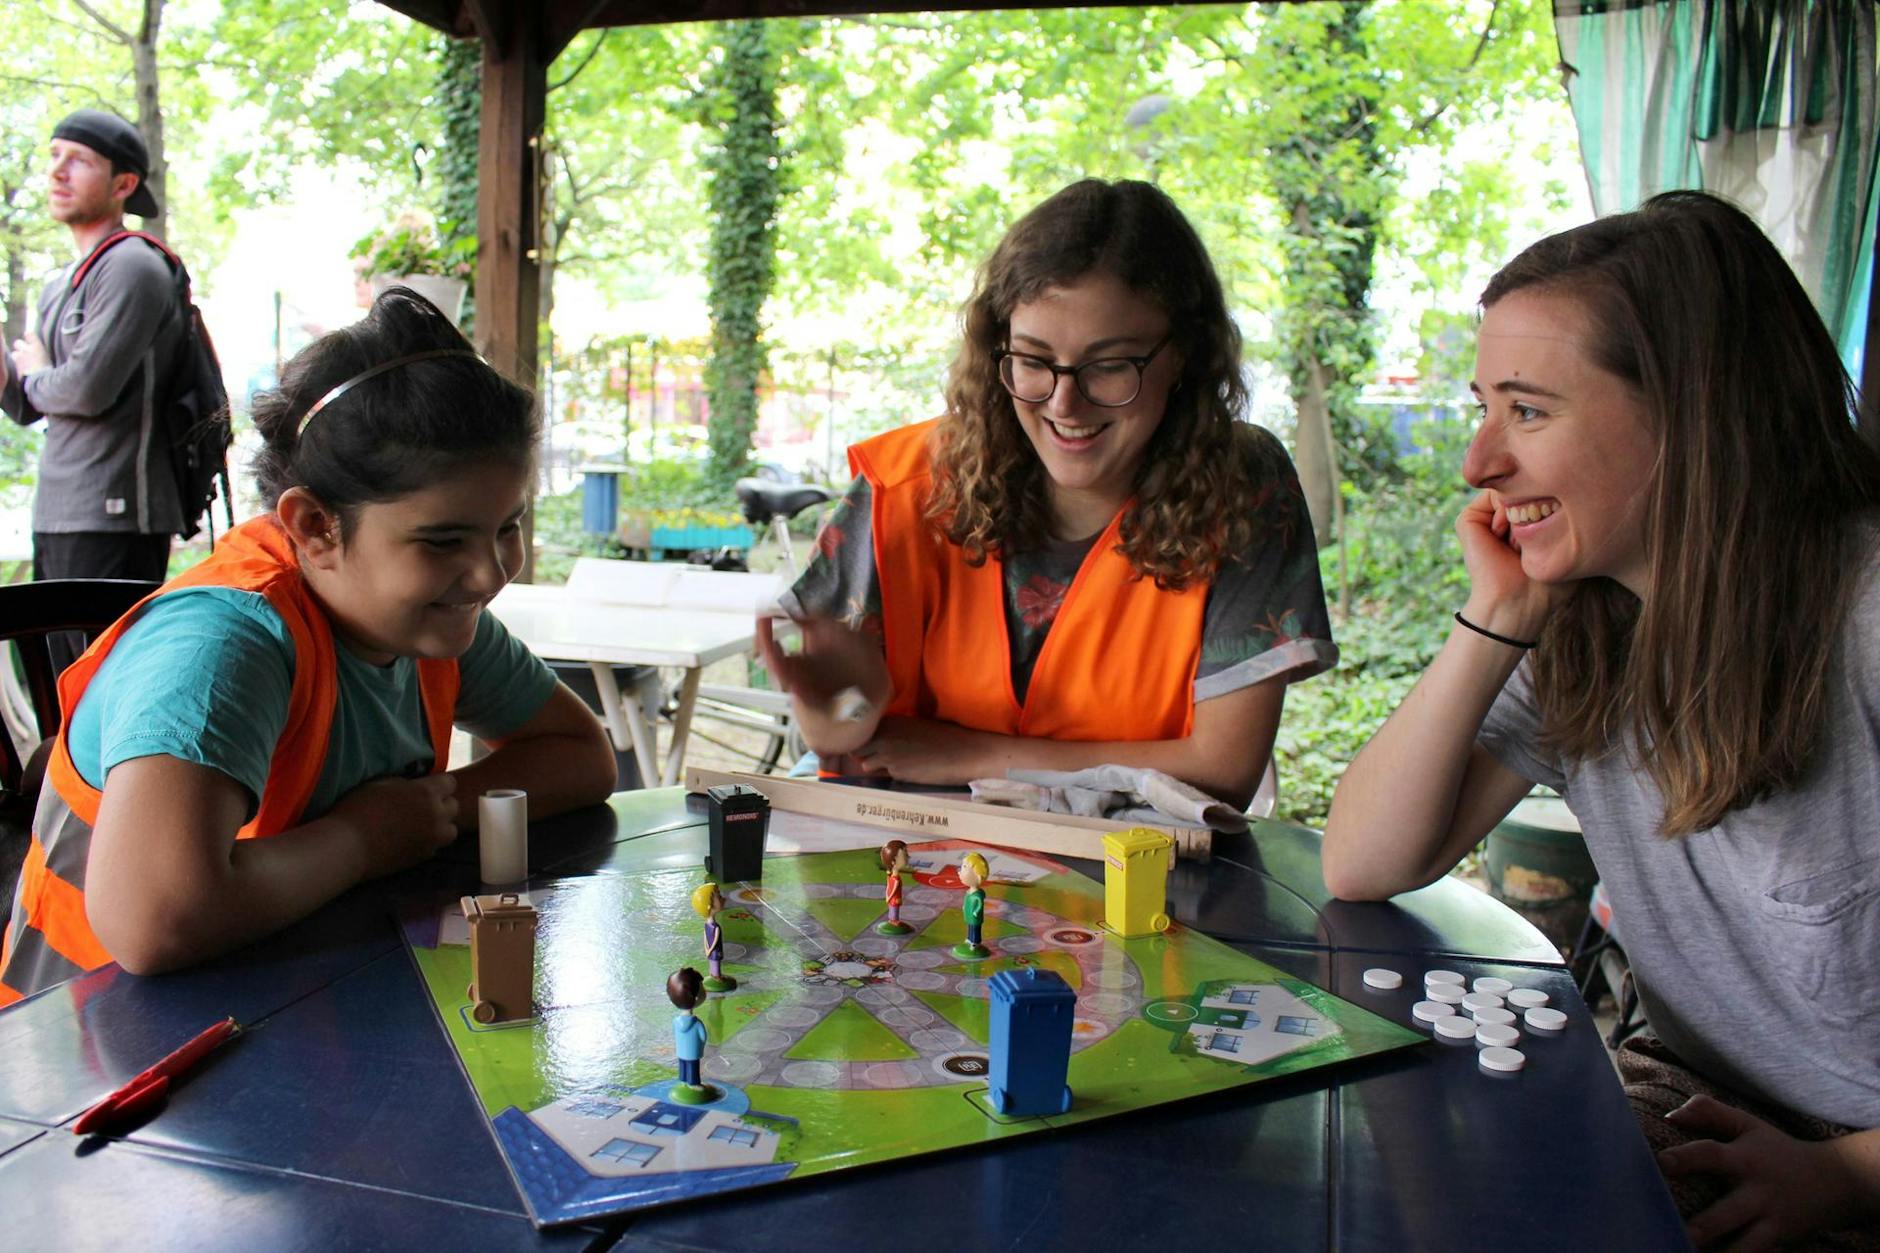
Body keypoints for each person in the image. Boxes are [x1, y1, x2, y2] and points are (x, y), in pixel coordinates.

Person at [1321, 190, 1880, 1251]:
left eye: (1526, 410)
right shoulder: (1582, 626)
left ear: (1695, 411)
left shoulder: (1862, 615)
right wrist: (1493, 617)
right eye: (1482, 407)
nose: (1476, 462)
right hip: (1693, 1102)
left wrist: (1842, 1176)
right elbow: (1362, 858)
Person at [0, 288, 618, 1006]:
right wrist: (361, 840)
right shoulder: (223, 646)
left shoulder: (426, 622)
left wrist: (426, 813)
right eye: (443, 539)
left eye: (507, 525)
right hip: (89, 1059)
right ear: (317, 527)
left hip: (280, 997)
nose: (488, 572)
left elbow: (581, 755)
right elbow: (152, 921)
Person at [757, 179, 1334, 810]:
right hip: (905, 862)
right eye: (1033, 360)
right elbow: (843, 738)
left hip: (1134, 879)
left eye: (1110, 364)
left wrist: (972, 755)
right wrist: (849, 699)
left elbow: (1223, 770)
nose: (1065, 403)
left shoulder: (1240, 486)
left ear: (1185, 358)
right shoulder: (901, 487)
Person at [1, 109, 190, 665]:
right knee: (56, 686)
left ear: (123, 184)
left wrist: (38, 374)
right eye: (53, 155)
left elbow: (84, 390)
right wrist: (28, 378)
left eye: (78, 160)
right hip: (59, 509)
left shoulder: (133, 266)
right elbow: (29, 404)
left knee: (96, 692)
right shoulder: (61, 281)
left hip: (113, 514)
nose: (57, 171)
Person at [693, 881, 735, 990]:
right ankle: (716, 976)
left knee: (713, 962)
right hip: (715, 950)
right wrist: (709, 949)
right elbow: (714, 939)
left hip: (711, 950)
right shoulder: (716, 927)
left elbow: (706, 937)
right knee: (716, 961)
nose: (723, 898)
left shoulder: (707, 925)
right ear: (710, 905)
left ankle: (714, 975)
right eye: (719, 896)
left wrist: (707, 949)